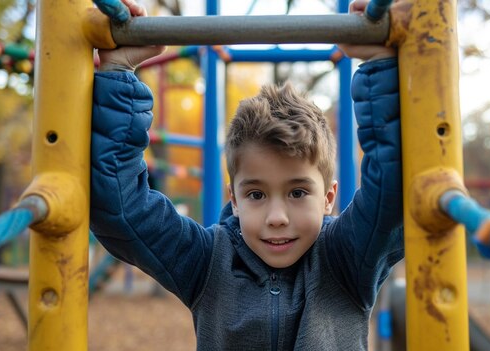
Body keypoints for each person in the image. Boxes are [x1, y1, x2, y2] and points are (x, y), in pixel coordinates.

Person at [90, 0, 404, 349]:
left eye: (298, 192)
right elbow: (121, 208)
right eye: (256, 194)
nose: (276, 218)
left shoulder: (345, 258)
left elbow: (392, 194)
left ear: (328, 198)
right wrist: (117, 70)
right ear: (234, 199)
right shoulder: (208, 261)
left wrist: (379, 66)